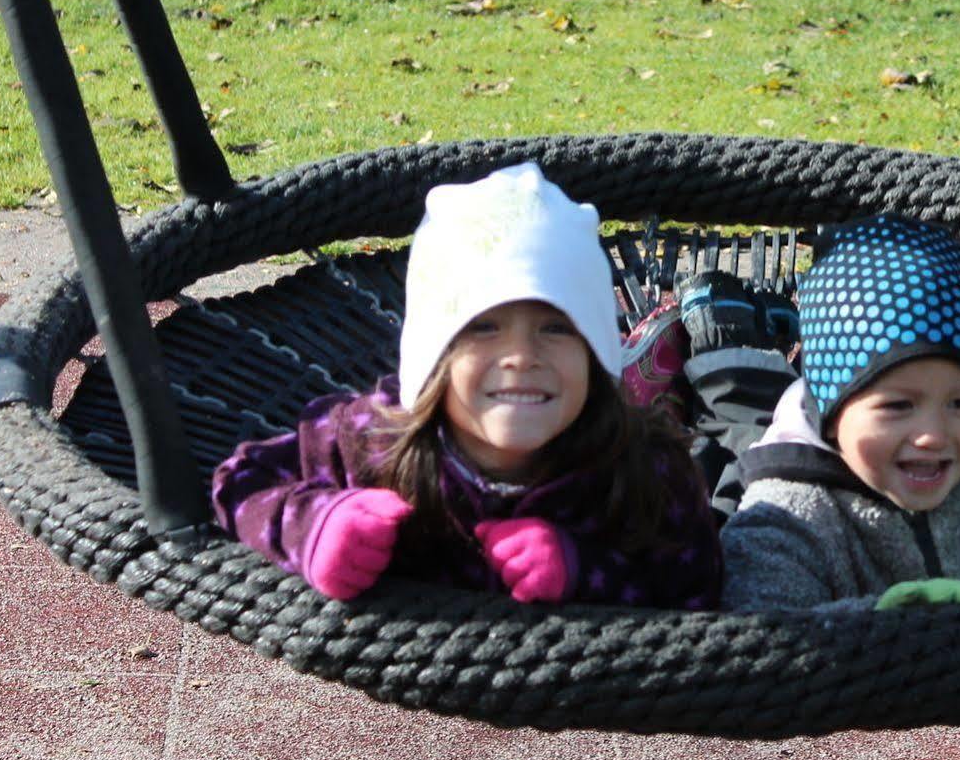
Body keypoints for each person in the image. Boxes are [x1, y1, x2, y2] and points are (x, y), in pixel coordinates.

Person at [211, 162, 722, 609]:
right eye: (483, 327)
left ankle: (691, 372)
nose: (521, 357)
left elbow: (697, 579)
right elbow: (239, 485)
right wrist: (314, 525)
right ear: (435, 352)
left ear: (592, 348)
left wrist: (583, 570)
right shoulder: (368, 439)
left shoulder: (640, 464)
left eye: (557, 326)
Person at [715, 215, 960, 610]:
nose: (933, 435)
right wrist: (893, 632)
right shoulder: (788, 510)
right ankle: (721, 339)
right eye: (897, 406)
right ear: (831, 413)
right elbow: (764, 623)